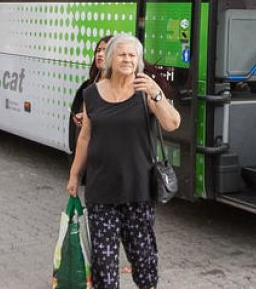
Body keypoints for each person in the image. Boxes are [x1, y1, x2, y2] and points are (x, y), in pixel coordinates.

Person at [66, 33, 180, 289]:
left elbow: (172, 123)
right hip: (101, 192)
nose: (127, 59)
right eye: (122, 54)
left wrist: (157, 94)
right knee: (104, 269)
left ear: (138, 60)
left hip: (138, 192)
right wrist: (74, 175)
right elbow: (84, 138)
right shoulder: (91, 93)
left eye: (132, 55)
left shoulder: (146, 91)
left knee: (144, 260)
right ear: (109, 59)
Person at [69, 35, 112, 154]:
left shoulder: (117, 86)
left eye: (106, 50)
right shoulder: (91, 84)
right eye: (98, 50)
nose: (100, 54)